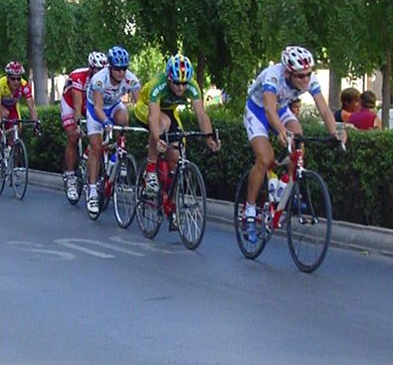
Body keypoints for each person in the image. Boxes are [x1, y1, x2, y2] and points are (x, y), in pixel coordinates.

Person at [242, 46, 344, 243]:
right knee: (265, 159)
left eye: (308, 74)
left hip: (280, 110)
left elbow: (324, 109)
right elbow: (269, 110)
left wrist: (334, 132)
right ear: (287, 72)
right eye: (300, 76)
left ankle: (287, 186)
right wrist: (281, 131)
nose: (305, 79)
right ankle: (249, 211)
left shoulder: (309, 79)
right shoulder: (273, 76)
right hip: (258, 111)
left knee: (299, 140)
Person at [132, 54, 220, 209]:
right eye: (177, 83)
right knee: (162, 123)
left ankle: (169, 201)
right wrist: (157, 139)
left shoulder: (192, 86)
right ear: (169, 79)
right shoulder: (158, 85)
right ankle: (150, 170)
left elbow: (201, 115)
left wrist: (209, 138)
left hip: (169, 111)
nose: (181, 88)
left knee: (176, 152)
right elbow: (153, 118)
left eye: (184, 83)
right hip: (146, 107)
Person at [84, 46, 141, 217]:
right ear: (110, 67)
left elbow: (141, 105)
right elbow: (98, 108)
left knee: (123, 119)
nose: (121, 72)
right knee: (96, 148)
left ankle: (118, 155)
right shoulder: (99, 79)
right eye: (117, 68)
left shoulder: (131, 79)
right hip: (96, 109)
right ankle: (92, 192)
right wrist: (106, 123)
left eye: (124, 68)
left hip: (114, 105)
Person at [60, 51, 108, 203]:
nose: (100, 73)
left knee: (98, 139)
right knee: (73, 136)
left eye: (102, 70)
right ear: (91, 68)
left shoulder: (107, 79)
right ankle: (70, 176)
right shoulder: (78, 77)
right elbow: (77, 105)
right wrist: (77, 124)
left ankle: (89, 160)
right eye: (97, 70)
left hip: (90, 104)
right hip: (70, 103)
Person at [0, 61, 40, 160]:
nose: (16, 82)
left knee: (17, 128)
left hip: (12, 107)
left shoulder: (24, 86)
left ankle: (8, 150)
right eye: (13, 78)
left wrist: (35, 124)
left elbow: (31, 107)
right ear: (8, 78)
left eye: (18, 78)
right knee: (4, 115)